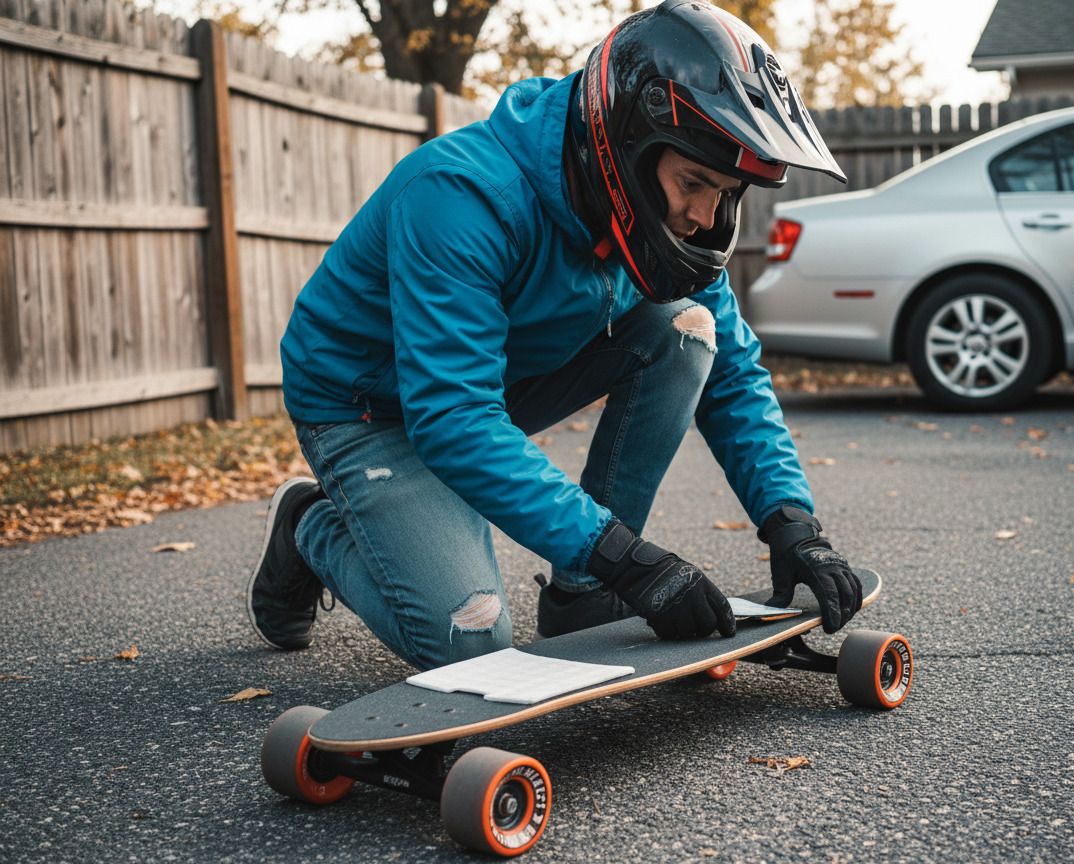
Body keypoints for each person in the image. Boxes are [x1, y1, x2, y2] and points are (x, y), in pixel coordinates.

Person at [246, 0, 863, 671]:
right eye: (694, 184)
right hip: (368, 407)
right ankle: (309, 525)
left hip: (489, 384)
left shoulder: (657, 221)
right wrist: (625, 554)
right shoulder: (459, 195)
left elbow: (734, 370)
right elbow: (451, 415)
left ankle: (585, 593)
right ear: (626, 142)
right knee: (469, 637)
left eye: (727, 192)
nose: (704, 216)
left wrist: (792, 523)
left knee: (689, 330)